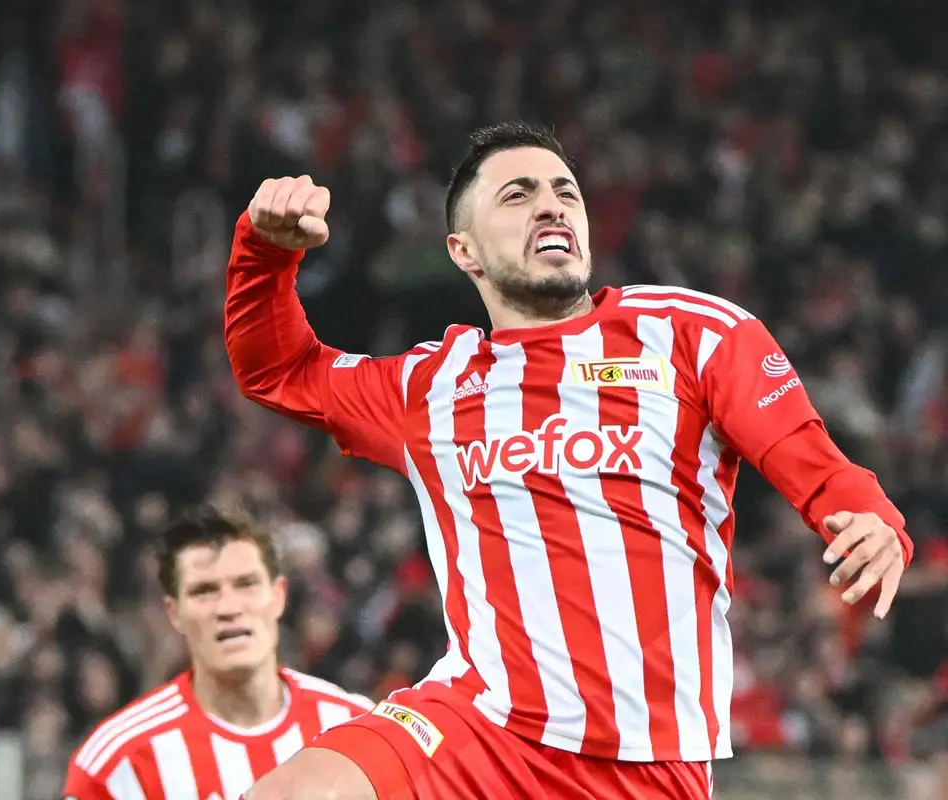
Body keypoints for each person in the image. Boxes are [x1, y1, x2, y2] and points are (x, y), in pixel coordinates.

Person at [223, 122, 914, 800]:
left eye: (565, 192)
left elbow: (810, 457)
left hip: (647, 762)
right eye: (517, 195)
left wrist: (867, 515)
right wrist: (265, 253)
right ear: (464, 250)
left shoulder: (689, 333)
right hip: (479, 727)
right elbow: (279, 371)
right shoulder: (429, 386)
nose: (551, 205)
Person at [62, 507, 374, 800]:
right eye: (204, 591)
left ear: (279, 596)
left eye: (246, 584)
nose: (228, 607)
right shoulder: (119, 762)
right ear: (174, 613)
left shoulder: (360, 730)